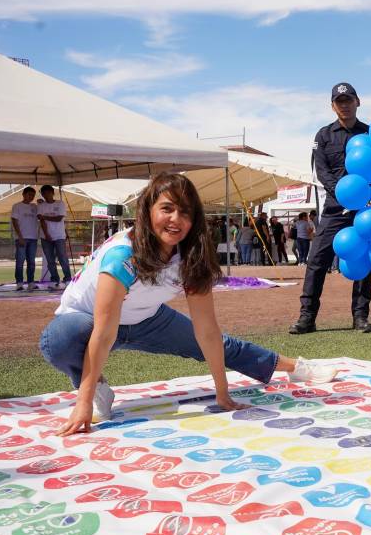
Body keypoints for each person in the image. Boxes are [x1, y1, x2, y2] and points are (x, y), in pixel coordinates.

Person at [40, 173, 336, 436]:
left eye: (185, 212)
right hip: (88, 319)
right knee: (59, 339)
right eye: (166, 209)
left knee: (220, 344)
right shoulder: (123, 256)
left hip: (147, 319)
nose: (175, 219)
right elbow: (104, 332)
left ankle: (295, 366)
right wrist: (83, 402)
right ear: (148, 210)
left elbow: (207, 331)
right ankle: (96, 389)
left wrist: (223, 394)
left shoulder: (191, 256)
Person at [292, 82, 371, 334]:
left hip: (365, 209)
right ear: (332, 106)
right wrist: (344, 193)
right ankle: (307, 317)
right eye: (340, 102)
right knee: (316, 261)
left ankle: (360, 317)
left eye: (349, 100)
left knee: (363, 262)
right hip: (334, 209)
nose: (345, 105)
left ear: (357, 102)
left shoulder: (370, 134)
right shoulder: (323, 135)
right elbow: (322, 171)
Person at [35, 185, 71, 290]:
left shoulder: (60, 203)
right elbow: (41, 221)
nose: (46, 195)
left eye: (48, 193)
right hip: (45, 237)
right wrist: (46, 234)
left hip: (59, 236)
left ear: (52, 193)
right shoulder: (41, 205)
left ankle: (68, 279)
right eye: (43, 193)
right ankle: (55, 280)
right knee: (50, 260)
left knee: (62, 258)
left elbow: (59, 218)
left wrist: (45, 217)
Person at [10, 186, 39, 291]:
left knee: (31, 262)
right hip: (21, 238)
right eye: (29, 194)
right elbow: (14, 221)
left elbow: (42, 213)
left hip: (33, 238)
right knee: (20, 261)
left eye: (33, 195)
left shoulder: (35, 207)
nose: (31, 197)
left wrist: (42, 203)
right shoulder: (17, 206)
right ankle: (19, 283)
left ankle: (31, 282)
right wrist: (20, 236)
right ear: (23, 194)